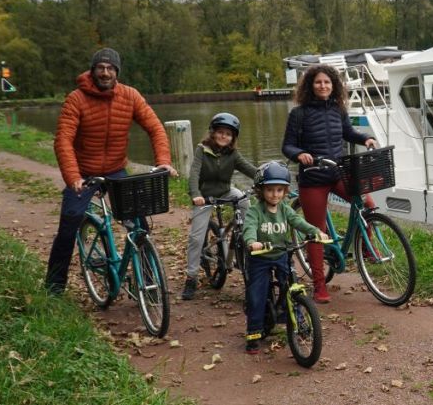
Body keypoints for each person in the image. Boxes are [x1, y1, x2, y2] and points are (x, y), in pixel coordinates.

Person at [46, 48, 178, 295]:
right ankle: (53, 288)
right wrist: (73, 177)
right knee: (69, 225)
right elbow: (63, 140)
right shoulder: (76, 98)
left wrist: (163, 160)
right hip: (84, 172)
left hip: (116, 170)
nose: (105, 73)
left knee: (139, 224)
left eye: (110, 69)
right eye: (101, 68)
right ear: (93, 70)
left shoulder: (130, 96)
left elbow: (155, 128)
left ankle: (149, 283)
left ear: (117, 72)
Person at [281, 65, 376, 303]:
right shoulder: (299, 114)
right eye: (318, 82)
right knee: (317, 232)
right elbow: (288, 145)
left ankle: (367, 248)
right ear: (310, 86)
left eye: (327, 82)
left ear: (333, 85)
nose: (323, 86)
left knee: (367, 202)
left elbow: (348, 133)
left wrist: (366, 138)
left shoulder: (337, 109)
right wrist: (299, 154)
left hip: (337, 172)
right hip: (313, 178)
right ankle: (319, 285)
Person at [242, 162, 327, 354]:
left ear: (285, 191)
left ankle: (300, 321)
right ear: (261, 190)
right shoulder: (256, 211)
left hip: (281, 254)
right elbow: (249, 227)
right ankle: (254, 332)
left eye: (279, 190)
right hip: (260, 257)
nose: (275, 195)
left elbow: (298, 221)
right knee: (257, 294)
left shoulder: (285, 209)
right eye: (270, 190)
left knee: (291, 287)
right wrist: (251, 241)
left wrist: (315, 232)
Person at [181, 112, 258, 300]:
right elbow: (194, 174)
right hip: (205, 197)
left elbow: (250, 169)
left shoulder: (233, 154)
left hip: (225, 192)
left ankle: (243, 229)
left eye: (228, 134)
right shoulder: (202, 150)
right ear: (213, 133)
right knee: (196, 238)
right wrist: (196, 194)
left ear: (233, 137)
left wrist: (269, 178)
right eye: (221, 132)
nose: (224, 136)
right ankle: (191, 277)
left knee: (243, 199)